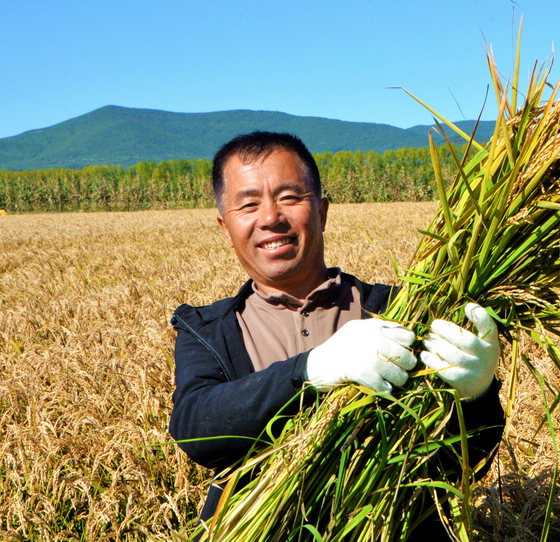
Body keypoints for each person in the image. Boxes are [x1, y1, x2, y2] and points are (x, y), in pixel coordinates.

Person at [168, 131, 504, 537]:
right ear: (225, 227)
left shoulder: (402, 311)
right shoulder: (207, 330)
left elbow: (465, 459)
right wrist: (312, 370)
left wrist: (476, 397)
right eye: (249, 204)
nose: (271, 216)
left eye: (290, 197)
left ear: (322, 211)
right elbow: (196, 428)